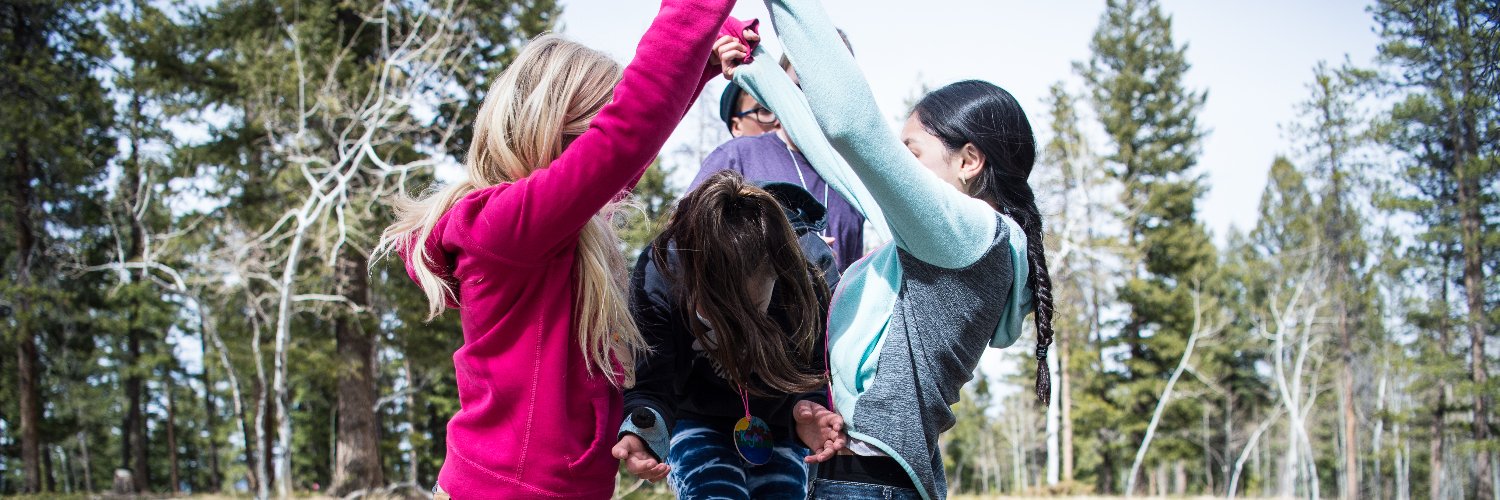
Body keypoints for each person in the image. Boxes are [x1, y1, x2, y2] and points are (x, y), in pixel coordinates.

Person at [374, 1, 747, 496]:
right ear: (559, 128)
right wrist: (696, 12)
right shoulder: (505, 227)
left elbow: (631, 151)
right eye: (598, 127)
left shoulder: (543, 228)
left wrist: (702, 59)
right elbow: (629, 134)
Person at [720, 2, 1057, 499]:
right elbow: (844, 167)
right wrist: (756, 65)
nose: (897, 165)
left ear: (968, 161)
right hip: (865, 478)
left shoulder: (966, 233)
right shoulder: (941, 243)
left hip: (871, 484)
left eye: (911, 153)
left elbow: (853, 129)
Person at [612, 170, 846, 499]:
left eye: (745, 313)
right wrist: (642, 432)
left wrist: (809, 407)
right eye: (712, 307)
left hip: (778, 425)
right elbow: (651, 381)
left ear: (777, 274)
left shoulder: (810, 277)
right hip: (695, 416)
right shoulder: (661, 272)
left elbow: (816, 369)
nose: (726, 327)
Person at [694, 25, 868, 271]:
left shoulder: (857, 179)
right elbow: (685, 247)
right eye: (800, 85)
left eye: (829, 86)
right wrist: (781, 251)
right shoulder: (738, 157)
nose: (812, 97)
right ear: (781, 88)